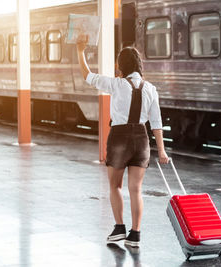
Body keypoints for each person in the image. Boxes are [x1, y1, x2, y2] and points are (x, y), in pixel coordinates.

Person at [76, 35, 169, 247]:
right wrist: (161, 150)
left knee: (115, 185)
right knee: (136, 189)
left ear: (121, 65)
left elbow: (87, 75)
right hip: (142, 140)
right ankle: (135, 235)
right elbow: (156, 122)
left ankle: (119, 228)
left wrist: (80, 51)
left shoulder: (116, 84)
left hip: (119, 138)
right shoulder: (151, 89)